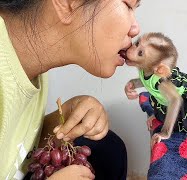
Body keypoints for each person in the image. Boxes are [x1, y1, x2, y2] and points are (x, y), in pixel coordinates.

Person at [0, 0, 141, 179]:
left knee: (108, 148)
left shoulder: (33, 66)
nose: (135, 29)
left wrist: (60, 123)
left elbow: (14, 150)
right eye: (128, 6)